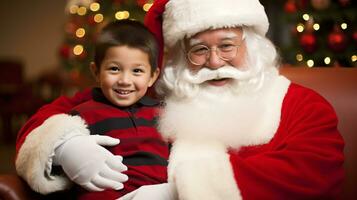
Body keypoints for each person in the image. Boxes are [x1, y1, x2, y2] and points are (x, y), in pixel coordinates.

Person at [16, 0, 344, 199]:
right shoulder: (149, 91)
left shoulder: (298, 103)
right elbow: (43, 120)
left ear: (253, 45)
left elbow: (316, 174)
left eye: (227, 45)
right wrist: (64, 145)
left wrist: (177, 193)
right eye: (200, 49)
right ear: (181, 55)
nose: (215, 62)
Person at [16, 19, 169, 199]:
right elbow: (47, 159)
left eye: (137, 71)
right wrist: (64, 148)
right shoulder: (82, 114)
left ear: (153, 76)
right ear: (96, 72)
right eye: (114, 69)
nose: (125, 80)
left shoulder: (164, 114)